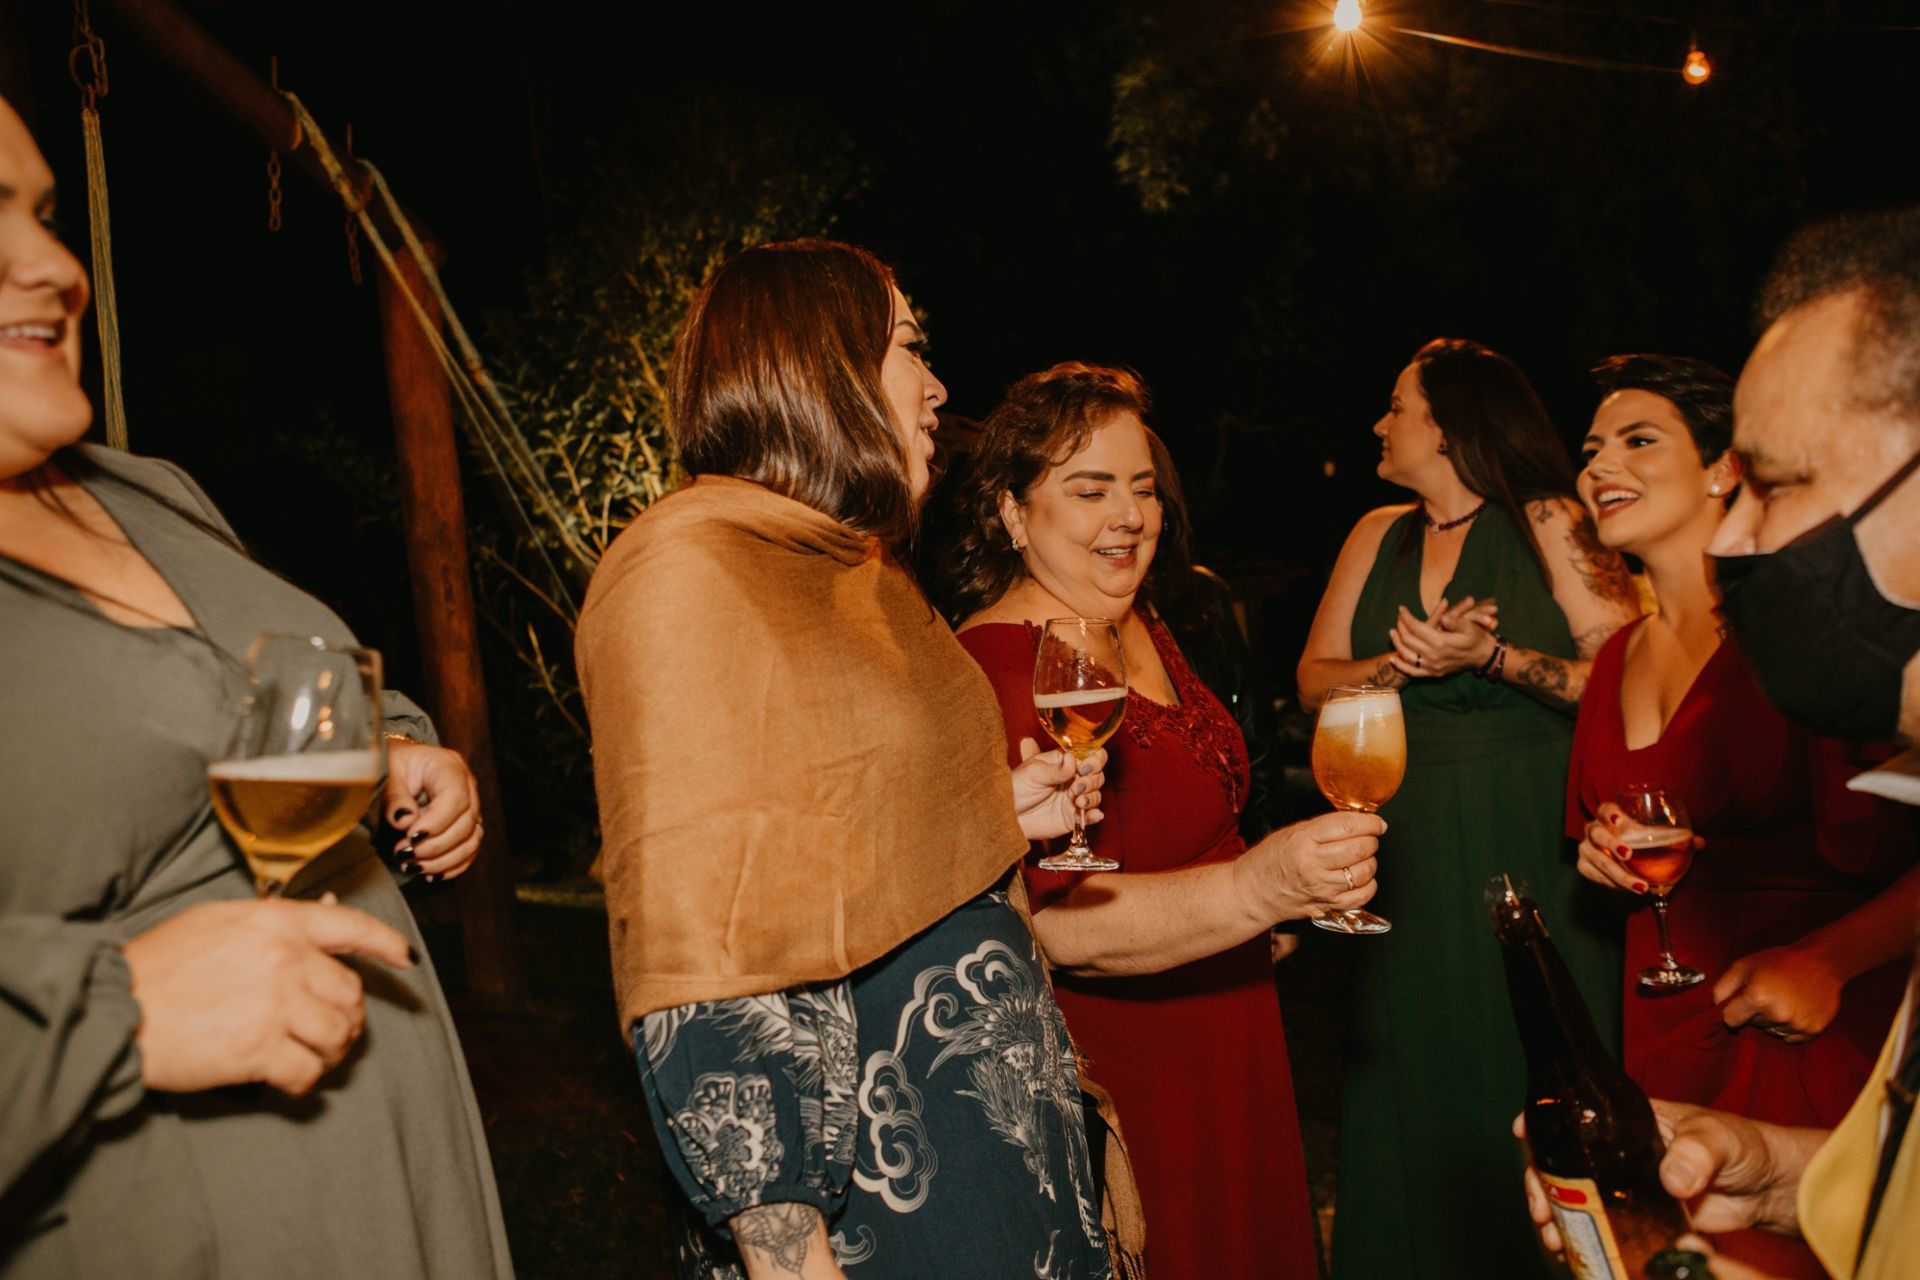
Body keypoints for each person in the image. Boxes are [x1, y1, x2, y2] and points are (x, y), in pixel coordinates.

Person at [0, 97, 510, 1278]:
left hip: (400, 1176)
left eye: (44, 216)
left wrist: (387, 748)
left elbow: (247, 700)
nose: (59, 269)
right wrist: (116, 1007)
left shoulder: (142, 489)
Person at [576, 242, 1132, 1280]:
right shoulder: (688, 567)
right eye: (909, 346)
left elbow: (835, 827)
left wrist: (997, 810)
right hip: (873, 1186)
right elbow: (709, 944)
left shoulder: (864, 577)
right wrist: (787, 1253)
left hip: (999, 1159)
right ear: (818, 363)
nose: (938, 387)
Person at [1523, 205, 1920, 1280]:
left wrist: (1830, 957)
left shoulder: (1809, 647)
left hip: (1806, 1012)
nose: (1600, 463)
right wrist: (1604, 858)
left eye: (1638, 438)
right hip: (1670, 1007)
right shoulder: (1617, 655)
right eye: (1591, 447)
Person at [938, 361, 1385, 1280]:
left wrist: (1263, 912)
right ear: (1013, 513)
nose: (1130, 516)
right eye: (1090, 489)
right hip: (1133, 1059)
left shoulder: (1135, 618)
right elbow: (1054, 926)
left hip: (1232, 1024)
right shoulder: (994, 666)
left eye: (1141, 488)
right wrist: (1260, 889)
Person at [1297, 338, 1642, 1278]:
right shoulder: (1377, 533)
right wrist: (1406, 664)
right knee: (1417, 1060)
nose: (1379, 423)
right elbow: (1314, 680)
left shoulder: (1550, 519)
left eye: (1396, 407)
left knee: (1529, 1049)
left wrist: (1490, 659)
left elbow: (1621, 676)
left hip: (1527, 822)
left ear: (1448, 426)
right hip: (1404, 842)